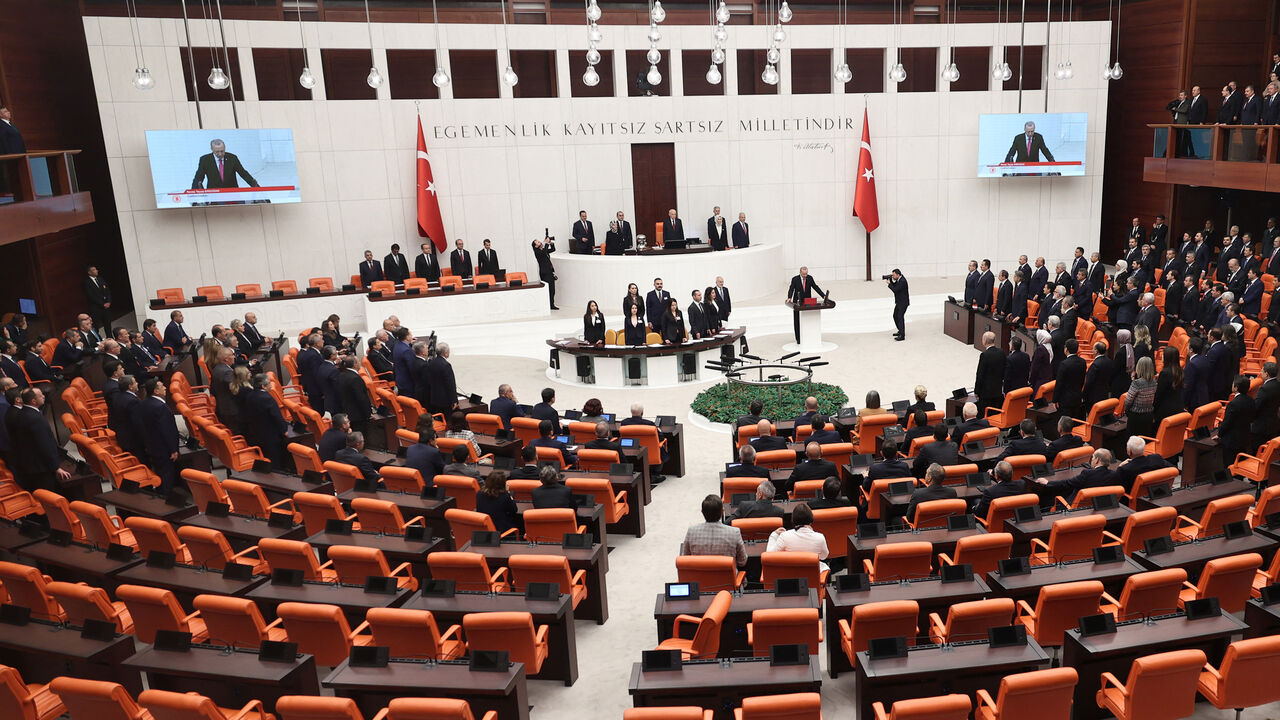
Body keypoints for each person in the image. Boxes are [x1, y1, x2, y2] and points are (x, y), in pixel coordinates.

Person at [8, 387, 69, 493]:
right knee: (50, 495)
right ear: (33, 401)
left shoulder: (22, 413)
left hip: (31, 465)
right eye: (41, 395)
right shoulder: (35, 418)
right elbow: (44, 444)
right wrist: (56, 467)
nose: (44, 396)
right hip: (41, 468)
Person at [136, 379, 178, 493]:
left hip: (151, 445)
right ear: (155, 391)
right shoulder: (161, 407)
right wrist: (173, 449)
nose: (165, 388)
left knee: (159, 472)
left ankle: (162, 494)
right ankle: (167, 498)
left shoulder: (143, 403)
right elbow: (167, 430)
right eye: (161, 386)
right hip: (163, 448)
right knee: (167, 475)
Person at [681, 495, 747, 567]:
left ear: (702, 512)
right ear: (722, 512)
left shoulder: (691, 532)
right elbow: (742, 561)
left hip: (699, 577)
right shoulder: (735, 532)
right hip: (726, 578)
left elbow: (685, 559)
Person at [1033, 449, 1120, 502]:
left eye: (1093, 457)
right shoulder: (1113, 475)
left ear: (1097, 460)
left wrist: (1048, 482)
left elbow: (1067, 483)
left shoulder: (1087, 474)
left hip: (1075, 507)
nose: (1091, 460)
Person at [241, 373, 288, 469]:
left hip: (255, 433)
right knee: (275, 460)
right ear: (263, 386)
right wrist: (284, 430)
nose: (271, 385)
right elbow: (276, 416)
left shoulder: (249, 395)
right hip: (270, 435)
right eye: (269, 383)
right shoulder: (267, 398)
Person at [766, 503, 828, 570]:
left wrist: (774, 535)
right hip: (813, 576)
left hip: (791, 575)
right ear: (811, 520)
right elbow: (824, 556)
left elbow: (770, 555)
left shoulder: (785, 536)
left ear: (793, 520)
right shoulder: (820, 537)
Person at [191, 138, 260, 189]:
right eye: (217, 152)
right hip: (214, 195)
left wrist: (256, 186)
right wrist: (193, 194)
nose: (220, 154)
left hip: (232, 193)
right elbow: (198, 178)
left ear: (225, 148)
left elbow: (243, 174)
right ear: (212, 149)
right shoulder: (205, 160)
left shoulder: (232, 158)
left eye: (222, 151)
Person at [1219, 375, 1256, 462]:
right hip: (1244, 438)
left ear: (1236, 388)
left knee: (1228, 464)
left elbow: (1227, 422)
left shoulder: (1233, 404)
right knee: (1239, 462)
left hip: (1231, 441)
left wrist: (1219, 434)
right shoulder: (1251, 400)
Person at [476, 471, 521, 535]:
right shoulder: (505, 496)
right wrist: (508, 493)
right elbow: (514, 510)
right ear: (503, 484)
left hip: (484, 529)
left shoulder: (479, 494)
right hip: (501, 530)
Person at [787, 266, 825, 342]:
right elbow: (791, 288)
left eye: (806, 274)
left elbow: (815, 287)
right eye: (804, 274)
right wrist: (789, 297)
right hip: (797, 302)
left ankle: (808, 336)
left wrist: (823, 295)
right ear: (800, 272)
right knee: (797, 319)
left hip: (807, 301)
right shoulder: (795, 279)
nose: (805, 276)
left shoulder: (810, 278)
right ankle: (798, 338)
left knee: (807, 318)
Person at [210, 346, 241, 433]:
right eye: (232, 355)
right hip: (231, 410)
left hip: (222, 407)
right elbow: (237, 390)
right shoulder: (227, 372)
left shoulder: (216, 369)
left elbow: (212, 390)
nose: (234, 357)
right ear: (226, 359)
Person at [1124, 357, 1157, 437]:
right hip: (1148, 415)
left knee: (1133, 442)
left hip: (1136, 416)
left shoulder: (1136, 383)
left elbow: (1128, 401)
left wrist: (1127, 412)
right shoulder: (1154, 382)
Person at [1054, 339, 1087, 419]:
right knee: (1075, 420)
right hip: (1077, 397)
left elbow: (1059, 383)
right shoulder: (1083, 362)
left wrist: (1055, 400)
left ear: (1066, 349)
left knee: (1065, 422)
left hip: (1065, 400)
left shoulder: (1064, 364)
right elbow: (1082, 380)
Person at [974, 331, 1005, 413]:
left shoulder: (984, 355)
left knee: (985, 414)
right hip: (998, 390)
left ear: (985, 341)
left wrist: (976, 391)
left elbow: (980, 374)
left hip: (986, 393)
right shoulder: (1001, 352)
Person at [405, 423, 444, 489]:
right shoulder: (434, 451)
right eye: (435, 438)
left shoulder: (410, 448)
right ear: (431, 441)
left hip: (412, 485)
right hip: (429, 488)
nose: (436, 441)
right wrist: (436, 449)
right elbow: (443, 469)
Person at [426, 342, 458, 415]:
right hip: (445, 400)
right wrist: (454, 400)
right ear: (445, 353)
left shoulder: (431, 362)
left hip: (434, 397)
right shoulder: (446, 365)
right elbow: (450, 384)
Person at [1081, 342, 1114, 410]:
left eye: (1093, 348)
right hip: (1104, 393)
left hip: (1093, 396)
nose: (1092, 350)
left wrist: (1083, 395)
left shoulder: (1095, 365)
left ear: (1096, 351)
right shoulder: (1109, 361)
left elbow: (1089, 382)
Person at [1183, 336, 1212, 410]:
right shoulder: (1205, 359)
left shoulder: (1191, 365)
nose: (1186, 348)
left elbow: (1188, 386)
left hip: (1194, 400)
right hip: (1204, 396)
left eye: (1187, 346)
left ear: (1191, 350)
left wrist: (1184, 403)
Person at [83, 265, 112, 334]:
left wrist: (109, 302)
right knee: (96, 325)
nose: (96, 271)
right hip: (96, 308)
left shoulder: (100, 279)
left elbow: (107, 291)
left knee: (108, 324)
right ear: (89, 272)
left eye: (96, 269)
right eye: (94, 270)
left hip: (106, 307)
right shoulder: (87, 282)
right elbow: (91, 296)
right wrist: (102, 304)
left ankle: (110, 339)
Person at [531, 236, 558, 309]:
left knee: (552, 289)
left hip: (549, 271)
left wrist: (551, 243)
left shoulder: (542, 249)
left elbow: (553, 249)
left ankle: (552, 305)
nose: (539, 241)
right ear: (535, 245)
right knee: (548, 289)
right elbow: (543, 252)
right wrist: (546, 243)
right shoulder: (537, 252)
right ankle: (548, 304)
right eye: (537, 241)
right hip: (545, 273)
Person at [886, 268, 909, 340]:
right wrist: (891, 281)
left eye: (893, 275)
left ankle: (902, 336)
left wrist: (889, 284)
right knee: (895, 315)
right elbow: (895, 286)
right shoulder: (899, 279)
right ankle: (900, 330)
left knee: (900, 317)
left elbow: (895, 290)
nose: (892, 276)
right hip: (899, 302)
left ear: (898, 275)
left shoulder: (902, 281)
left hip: (903, 303)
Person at [1030, 329, 1054, 393]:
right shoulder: (1049, 345)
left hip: (1040, 379)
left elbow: (1035, 367)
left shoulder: (1040, 349)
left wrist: (1031, 380)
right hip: (1048, 377)